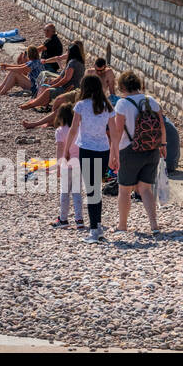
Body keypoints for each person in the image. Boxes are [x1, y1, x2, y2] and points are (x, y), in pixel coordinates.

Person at [110, 71, 165, 234]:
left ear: (122, 87)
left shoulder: (122, 104)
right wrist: (163, 145)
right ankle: (154, 225)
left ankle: (122, 225)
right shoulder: (152, 101)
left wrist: (113, 154)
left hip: (130, 150)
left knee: (125, 190)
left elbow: (118, 132)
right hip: (152, 149)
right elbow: (162, 125)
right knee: (145, 188)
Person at [62, 74, 115, 243]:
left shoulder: (81, 106)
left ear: (84, 88)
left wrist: (66, 150)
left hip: (87, 149)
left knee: (92, 190)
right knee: (96, 189)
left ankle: (94, 230)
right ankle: (97, 225)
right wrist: (116, 155)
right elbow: (114, 132)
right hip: (104, 150)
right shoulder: (106, 106)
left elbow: (73, 130)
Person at [20, 41, 84, 110]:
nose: (66, 52)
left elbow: (66, 79)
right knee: (44, 85)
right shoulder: (78, 62)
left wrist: (54, 85)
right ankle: (38, 104)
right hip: (68, 86)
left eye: (67, 50)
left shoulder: (72, 63)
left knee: (48, 91)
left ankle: (32, 104)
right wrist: (52, 83)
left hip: (69, 88)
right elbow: (60, 77)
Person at [51, 106, 85, 229]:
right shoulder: (79, 129)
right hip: (78, 164)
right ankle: (79, 219)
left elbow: (60, 149)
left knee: (65, 193)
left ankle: (63, 219)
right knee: (77, 192)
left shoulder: (60, 131)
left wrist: (59, 166)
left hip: (66, 164)